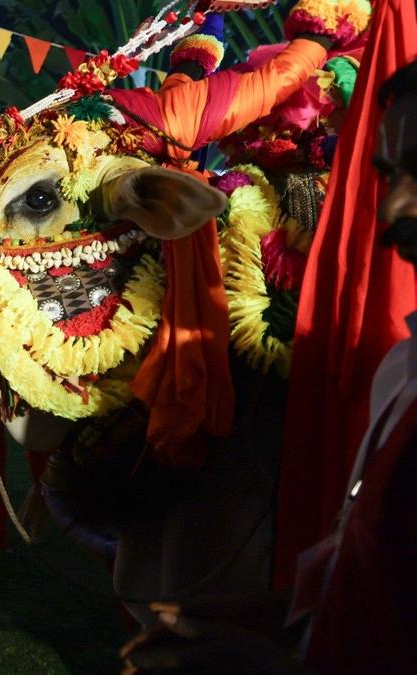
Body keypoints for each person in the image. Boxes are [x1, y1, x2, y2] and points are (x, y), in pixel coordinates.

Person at [121, 58, 417, 675]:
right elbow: (363, 572)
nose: (392, 212)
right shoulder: (401, 369)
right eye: (386, 177)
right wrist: (246, 621)